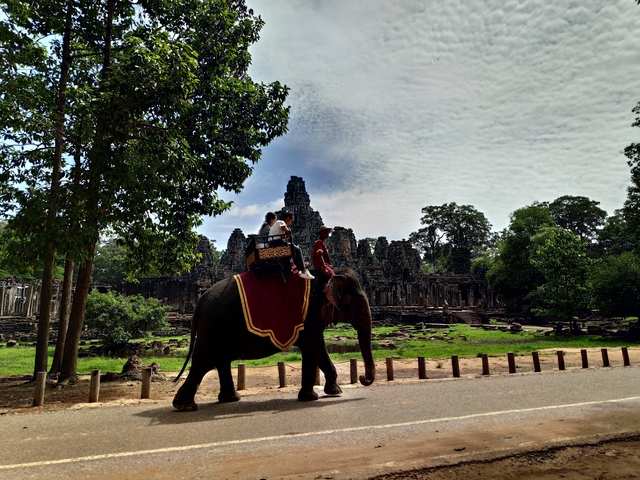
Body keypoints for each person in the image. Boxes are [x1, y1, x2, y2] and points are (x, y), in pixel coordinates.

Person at [269, 211, 315, 280]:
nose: (290, 223)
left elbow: (282, 237)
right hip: (276, 243)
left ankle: (296, 266)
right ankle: (303, 270)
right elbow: (288, 232)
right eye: (291, 220)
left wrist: (286, 235)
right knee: (297, 249)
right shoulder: (281, 222)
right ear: (287, 218)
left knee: (291, 251)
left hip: (275, 242)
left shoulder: (277, 223)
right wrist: (288, 231)